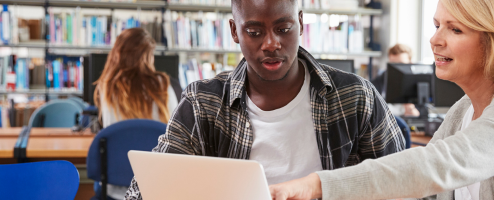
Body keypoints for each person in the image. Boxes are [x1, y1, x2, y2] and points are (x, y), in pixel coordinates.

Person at [269, 0, 494, 199]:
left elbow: (436, 166)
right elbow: (425, 192)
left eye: (455, 30)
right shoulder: (463, 112)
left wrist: (317, 185)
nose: (435, 39)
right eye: (437, 25)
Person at [124, 0, 404, 199]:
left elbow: (404, 184)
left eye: (283, 29)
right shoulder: (202, 102)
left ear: (302, 23)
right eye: (255, 32)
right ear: (235, 31)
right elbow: (143, 191)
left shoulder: (357, 97)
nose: (271, 44)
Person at [93, 28, 179, 199]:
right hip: (156, 188)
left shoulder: (107, 87)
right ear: (148, 56)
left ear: (117, 54)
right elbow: (177, 134)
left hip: (114, 190)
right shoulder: (164, 85)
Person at [371, 44, 420, 117]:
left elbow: (423, 112)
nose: (397, 69)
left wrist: (412, 110)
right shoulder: (378, 82)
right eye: (393, 64)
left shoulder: (418, 83)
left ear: (410, 63)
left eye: (401, 64)